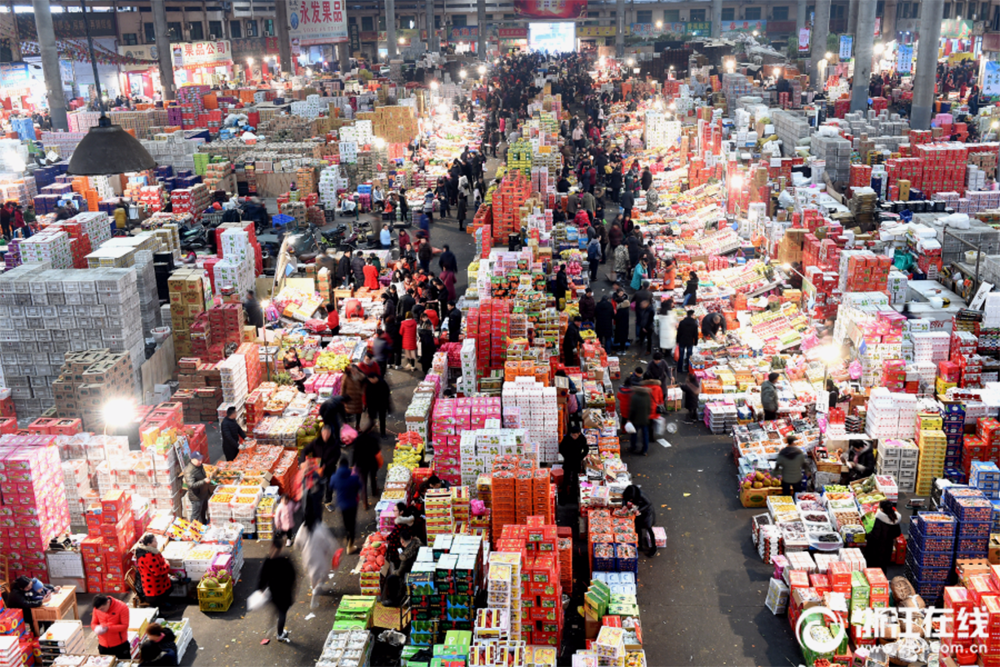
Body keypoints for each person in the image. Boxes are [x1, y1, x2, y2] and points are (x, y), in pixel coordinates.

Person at [295, 499, 340, 609]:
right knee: (323, 573)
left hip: (307, 557)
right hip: (319, 557)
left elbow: (296, 543)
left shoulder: (302, 528)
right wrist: (334, 552)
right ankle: (315, 593)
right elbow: (330, 543)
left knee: (313, 575)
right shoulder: (320, 527)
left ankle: (315, 586)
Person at [257, 536, 297, 643]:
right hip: (284, 593)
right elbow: (292, 576)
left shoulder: (267, 561)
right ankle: (280, 633)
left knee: (277, 609)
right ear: (281, 548)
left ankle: (273, 625)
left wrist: (260, 590)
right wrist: (293, 589)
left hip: (273, 593)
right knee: (282, 612)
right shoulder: (286, 561)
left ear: (272, 546)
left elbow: (262, 578)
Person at [329, 457, 361, 553]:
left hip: (341, 505)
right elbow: (359, 486)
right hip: (352, 504)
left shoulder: (334, 477)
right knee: (352, 524)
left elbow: (331, 487)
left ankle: (346, 538)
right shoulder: (354, 478)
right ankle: (350, 546)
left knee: (345, 522)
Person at [134, 534, 173, 609]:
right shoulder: (148, 556)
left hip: (159, 581)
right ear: (149, 544)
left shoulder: (151, 551)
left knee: (171, 585)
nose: (157, 542)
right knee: (169, 588)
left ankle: (162, 603)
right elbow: (157, 572)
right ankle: (159, 610)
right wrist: (167, 565)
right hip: (153, 585)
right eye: (155, 541)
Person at [353, 416, 382, 509]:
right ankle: (374, 491)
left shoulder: (358, 438)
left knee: (363, 483)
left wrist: (353, 464)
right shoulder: (373, 438)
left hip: (361, 464)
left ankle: (365, 502)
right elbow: (377, 451)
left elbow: (354, 452)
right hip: (371, 463)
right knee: (373, 478)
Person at [865, 499, 902, 570]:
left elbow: (875, 535)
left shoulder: (880, 519)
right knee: (883, 567)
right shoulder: (894, 518)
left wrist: (868, 536)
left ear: (882, 509)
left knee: (874, 567)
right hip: (888, 547)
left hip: (877, 548)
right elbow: (897, 533)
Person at [621, 485, 657, 557]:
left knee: (649, 529)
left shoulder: (641, 495)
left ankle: (654, 547)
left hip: (646, 513)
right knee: (638, 527)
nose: (630, 500)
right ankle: (640, 544)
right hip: (638, 512)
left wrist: (639, 510)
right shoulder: (628, 493)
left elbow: (648, 504)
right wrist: (624, 505)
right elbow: (624, 499)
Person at [183, 451, 211, 524]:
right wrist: (204, 481)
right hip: (196, 497)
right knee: (196, 514)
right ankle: (192, 529)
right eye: (198, 460)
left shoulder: (199, 465)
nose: (200, 461)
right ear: (192, 459)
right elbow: (191, 485)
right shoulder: (189, 471)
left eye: (201, 459)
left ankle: (203, 524)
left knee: (203, 511)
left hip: (203, 493)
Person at [627, 383, 652, 456]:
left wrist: (629, 419)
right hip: (644, 419)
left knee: (634, 434)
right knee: (645, 435)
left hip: (636, 419)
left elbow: (632, 410)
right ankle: (645, 450)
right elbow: (649, 407)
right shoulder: (647, 396)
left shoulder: (634, 397)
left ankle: (633, 447)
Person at [340, 364, 366, 428]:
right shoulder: (346, 377)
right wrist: (342, 397)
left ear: (357, 369)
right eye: (352, 370)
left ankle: (357, 426)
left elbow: (365, 385)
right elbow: (343, 387)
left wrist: (361, 392)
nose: (353, 372)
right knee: (348, 413)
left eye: (355, 370)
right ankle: (348, 427)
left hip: (357, 398)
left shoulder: (361, 376)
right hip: (349, 398)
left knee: (358, 412)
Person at [613, 283, 630, 351]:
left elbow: (617, 317)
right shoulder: (626, 307)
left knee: (621, 336)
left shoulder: (621, 309)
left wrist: (613, 316)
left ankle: (622, 350)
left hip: (621, 325)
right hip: (625, 324)